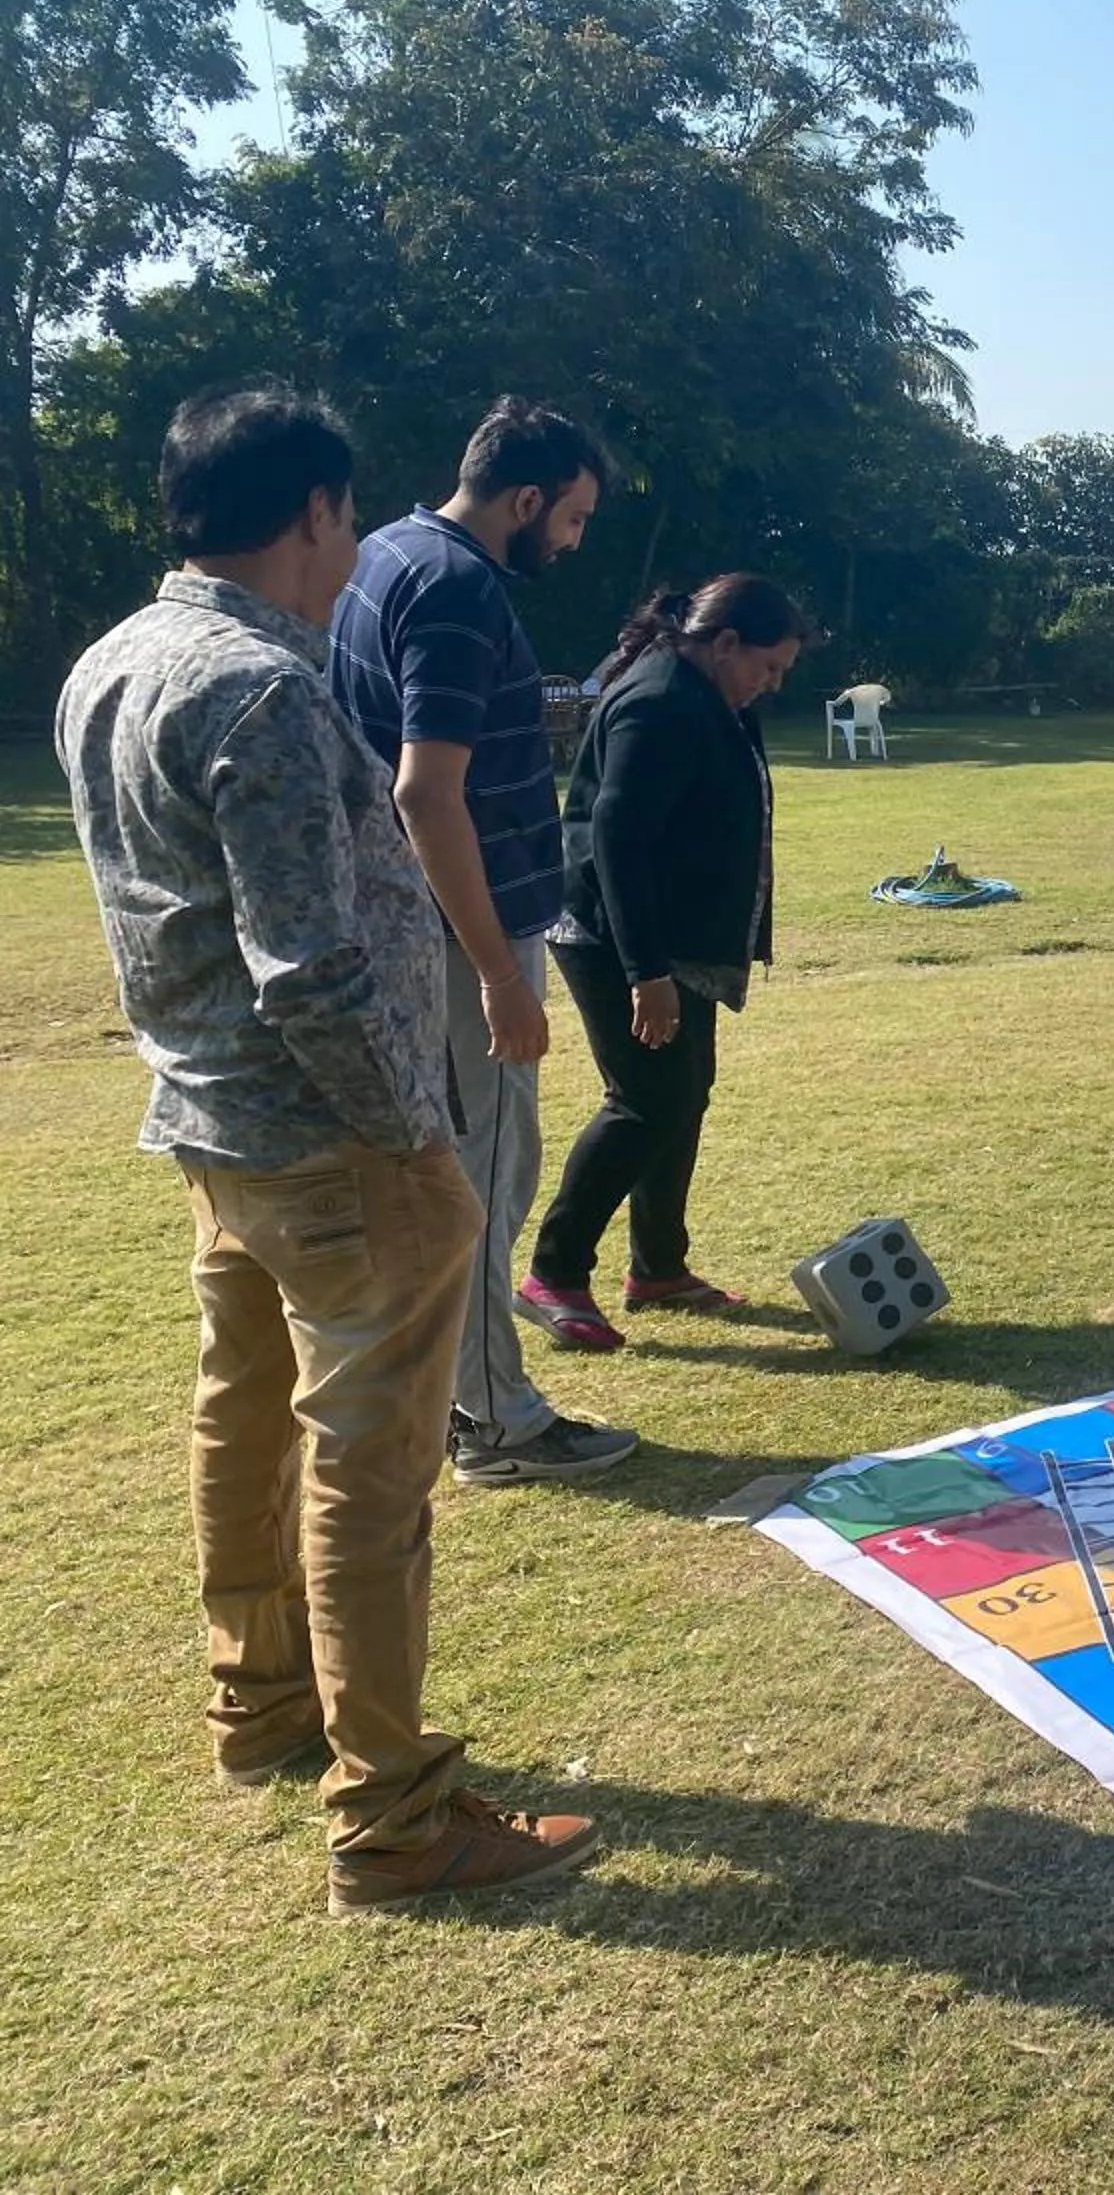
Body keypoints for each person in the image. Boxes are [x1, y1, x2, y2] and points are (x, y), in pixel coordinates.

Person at [56, 384, 599, 1913]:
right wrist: (413, 1137)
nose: (353, 543)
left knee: (245, 1420)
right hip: (331, 1146)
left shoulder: (113, 661)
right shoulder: (261, 693)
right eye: (345, 515)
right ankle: (396, 1816)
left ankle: (263, 1700)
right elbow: (310, 964)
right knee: (373, 1470)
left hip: (212, 1128)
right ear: (309, 511)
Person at [331, 394, 636, 1484]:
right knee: (486, 1179)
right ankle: (494, 1419)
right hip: (463, 939)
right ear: (525, 497)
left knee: (445, 1178)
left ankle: (455, 1397)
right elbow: (427, 790)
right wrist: (503, 973)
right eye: (573, 517)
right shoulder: (457, 589)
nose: (574, 539)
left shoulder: (385, 555)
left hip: (405, 930)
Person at [521, 578, 803, 1341]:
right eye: (767, 668)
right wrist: (646, 972)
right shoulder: (661, 701)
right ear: (726, 643)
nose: (770, 685)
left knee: (685, 1092)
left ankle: (659, 1268)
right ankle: (555, 1272)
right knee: (646, 1098)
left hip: (670, 938)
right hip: (615, 938)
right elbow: (615, 836)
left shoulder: (704, 692)